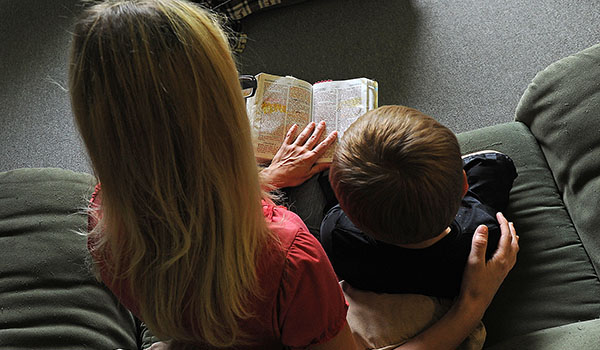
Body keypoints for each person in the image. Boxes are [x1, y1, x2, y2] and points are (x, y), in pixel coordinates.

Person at [68, 1, 518, 349]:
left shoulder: (102, 211)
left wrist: (267, 179)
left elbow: (178, 195)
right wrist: (470, 307)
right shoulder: (292, 259)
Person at [321, 105, 518, 298]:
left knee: (325, 178)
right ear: (464, 185)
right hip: (449, 260)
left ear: (349, 212)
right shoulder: (484, 237)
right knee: (496, 164)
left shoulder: (337, 234)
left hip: (380, 263)